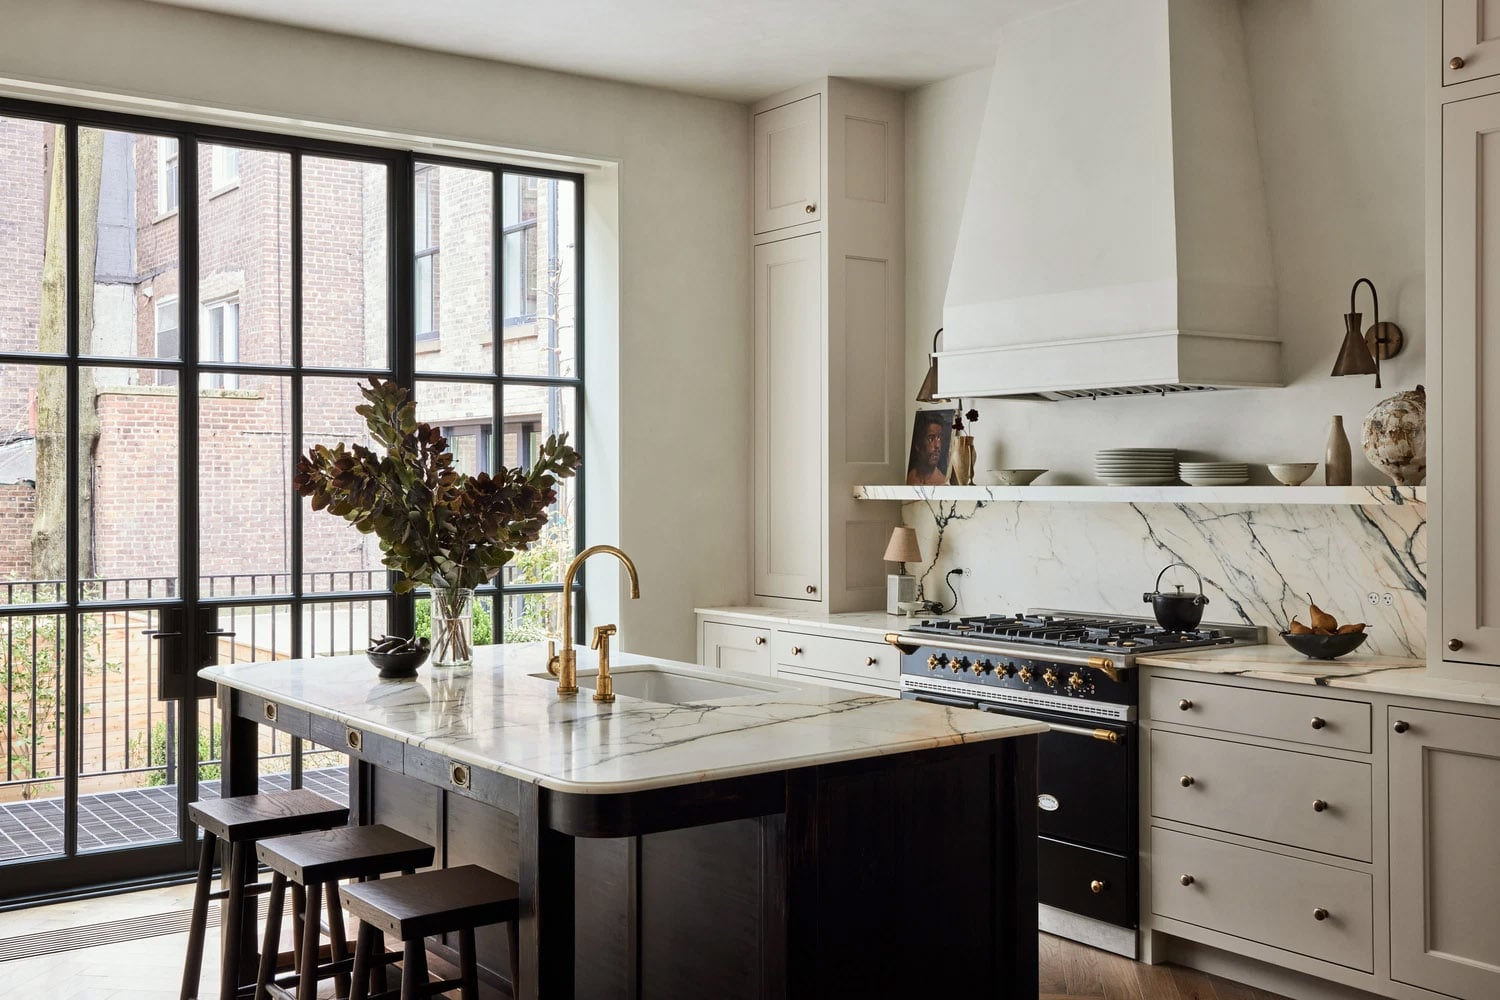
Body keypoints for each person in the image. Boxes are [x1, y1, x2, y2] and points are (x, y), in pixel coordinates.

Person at [906, 410, 951, 485]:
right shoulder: (910, 476)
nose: (938, 445)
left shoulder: (942, 481)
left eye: (940, 438)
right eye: (931, 438)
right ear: (918, 445)